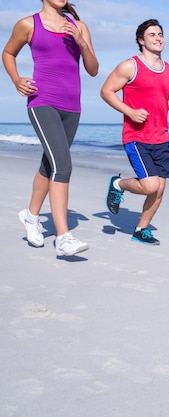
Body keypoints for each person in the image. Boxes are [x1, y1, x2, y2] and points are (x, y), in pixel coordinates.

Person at [2, 0, 98, 257]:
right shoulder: (27, 24)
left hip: (72, 106)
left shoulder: (78, 26)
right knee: (63, 166)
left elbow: (92, 69)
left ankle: (31, 216)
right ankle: (64, 237)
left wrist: (82, 41)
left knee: (50, 164)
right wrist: (16, 79)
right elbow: (8, 53)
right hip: (42, 101)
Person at [101, 19, 169, 245]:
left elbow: (166, 102)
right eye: (152, 35)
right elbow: (107, 91)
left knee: (158, 190)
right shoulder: (130, 66)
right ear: (141, 40)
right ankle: (117, 185)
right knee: (150, 185)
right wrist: (129, 111)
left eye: (160, 34)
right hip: (137, 137)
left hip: (162, 138)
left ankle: (141, 230)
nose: (158, 38)